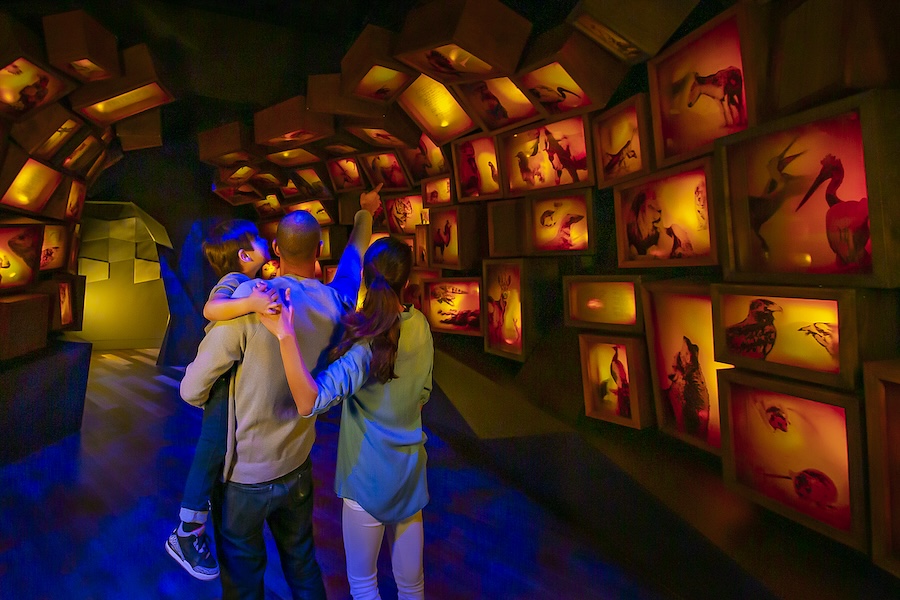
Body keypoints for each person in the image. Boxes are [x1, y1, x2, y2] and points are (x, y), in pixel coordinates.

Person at [179, 184, 382, 600]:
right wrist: (365, 214)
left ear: (275, 246)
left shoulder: (252, 303)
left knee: (244, 580)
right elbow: (352, 262)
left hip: (243, 482)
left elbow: (189, 388)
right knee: (302, 565)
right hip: (297, 467)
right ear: (319, 248)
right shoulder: (335, 301)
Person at [259, 236, 434, 600]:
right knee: (412, 585)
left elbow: (309, 401)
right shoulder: (420, 327)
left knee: (364, 584)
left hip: (365, 481)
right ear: (407, 279)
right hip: (409, 475)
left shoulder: (366, 347)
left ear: (367, 281)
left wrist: (285, 333)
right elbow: (422, 396)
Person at [166, 219, 278, 581]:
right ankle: (186, 533)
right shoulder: (233, 282)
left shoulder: (247, 282)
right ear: (245, 254)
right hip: (221, 386)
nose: (266, 238)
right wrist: (252, 301)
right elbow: (211, 309)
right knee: (211, 450)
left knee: (221, 453)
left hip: (232, 385)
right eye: (259, 238)